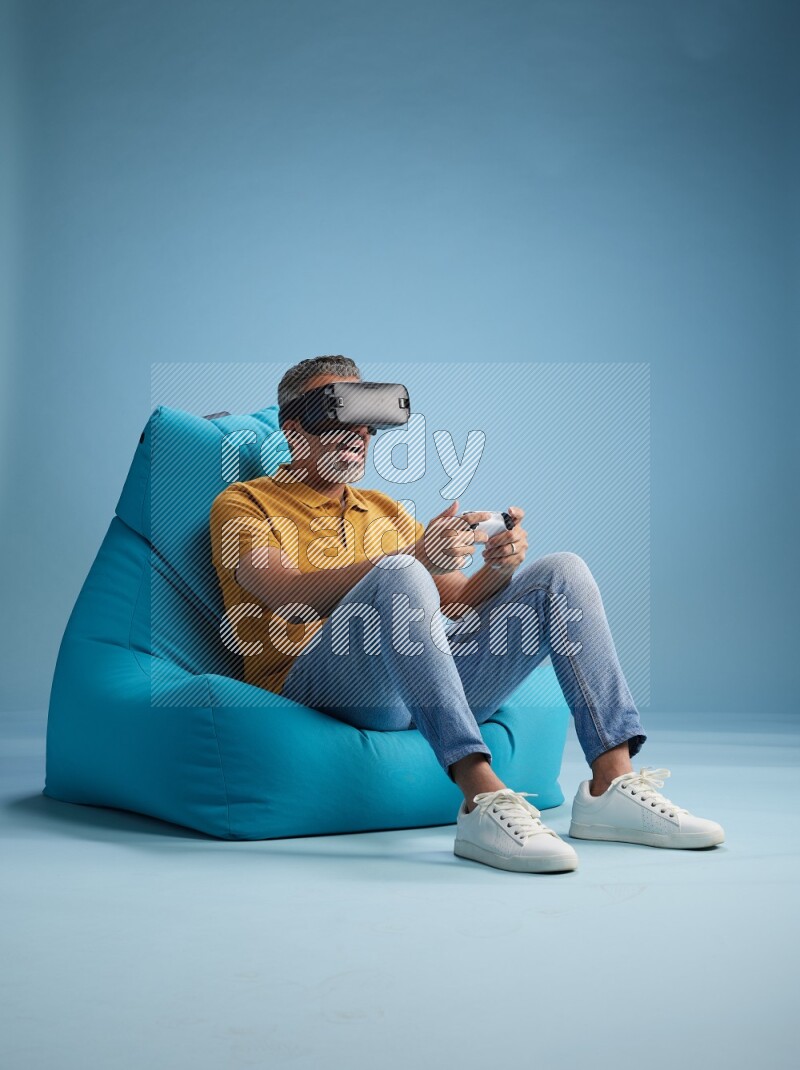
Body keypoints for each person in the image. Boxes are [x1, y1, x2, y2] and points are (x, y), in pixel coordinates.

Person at [210, 355, 725, 873]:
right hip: (321, 687)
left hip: (414, 685)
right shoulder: (243, 503)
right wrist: (412, 558)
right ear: (294, 429)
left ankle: (610, 783)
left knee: (560, 572)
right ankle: (480, 797)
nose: (358, 435)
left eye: (367, 422)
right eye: (338, 417)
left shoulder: (383, 510)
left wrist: (499, 567)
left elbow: (458, 601)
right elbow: (283, 590)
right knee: (401, 573)